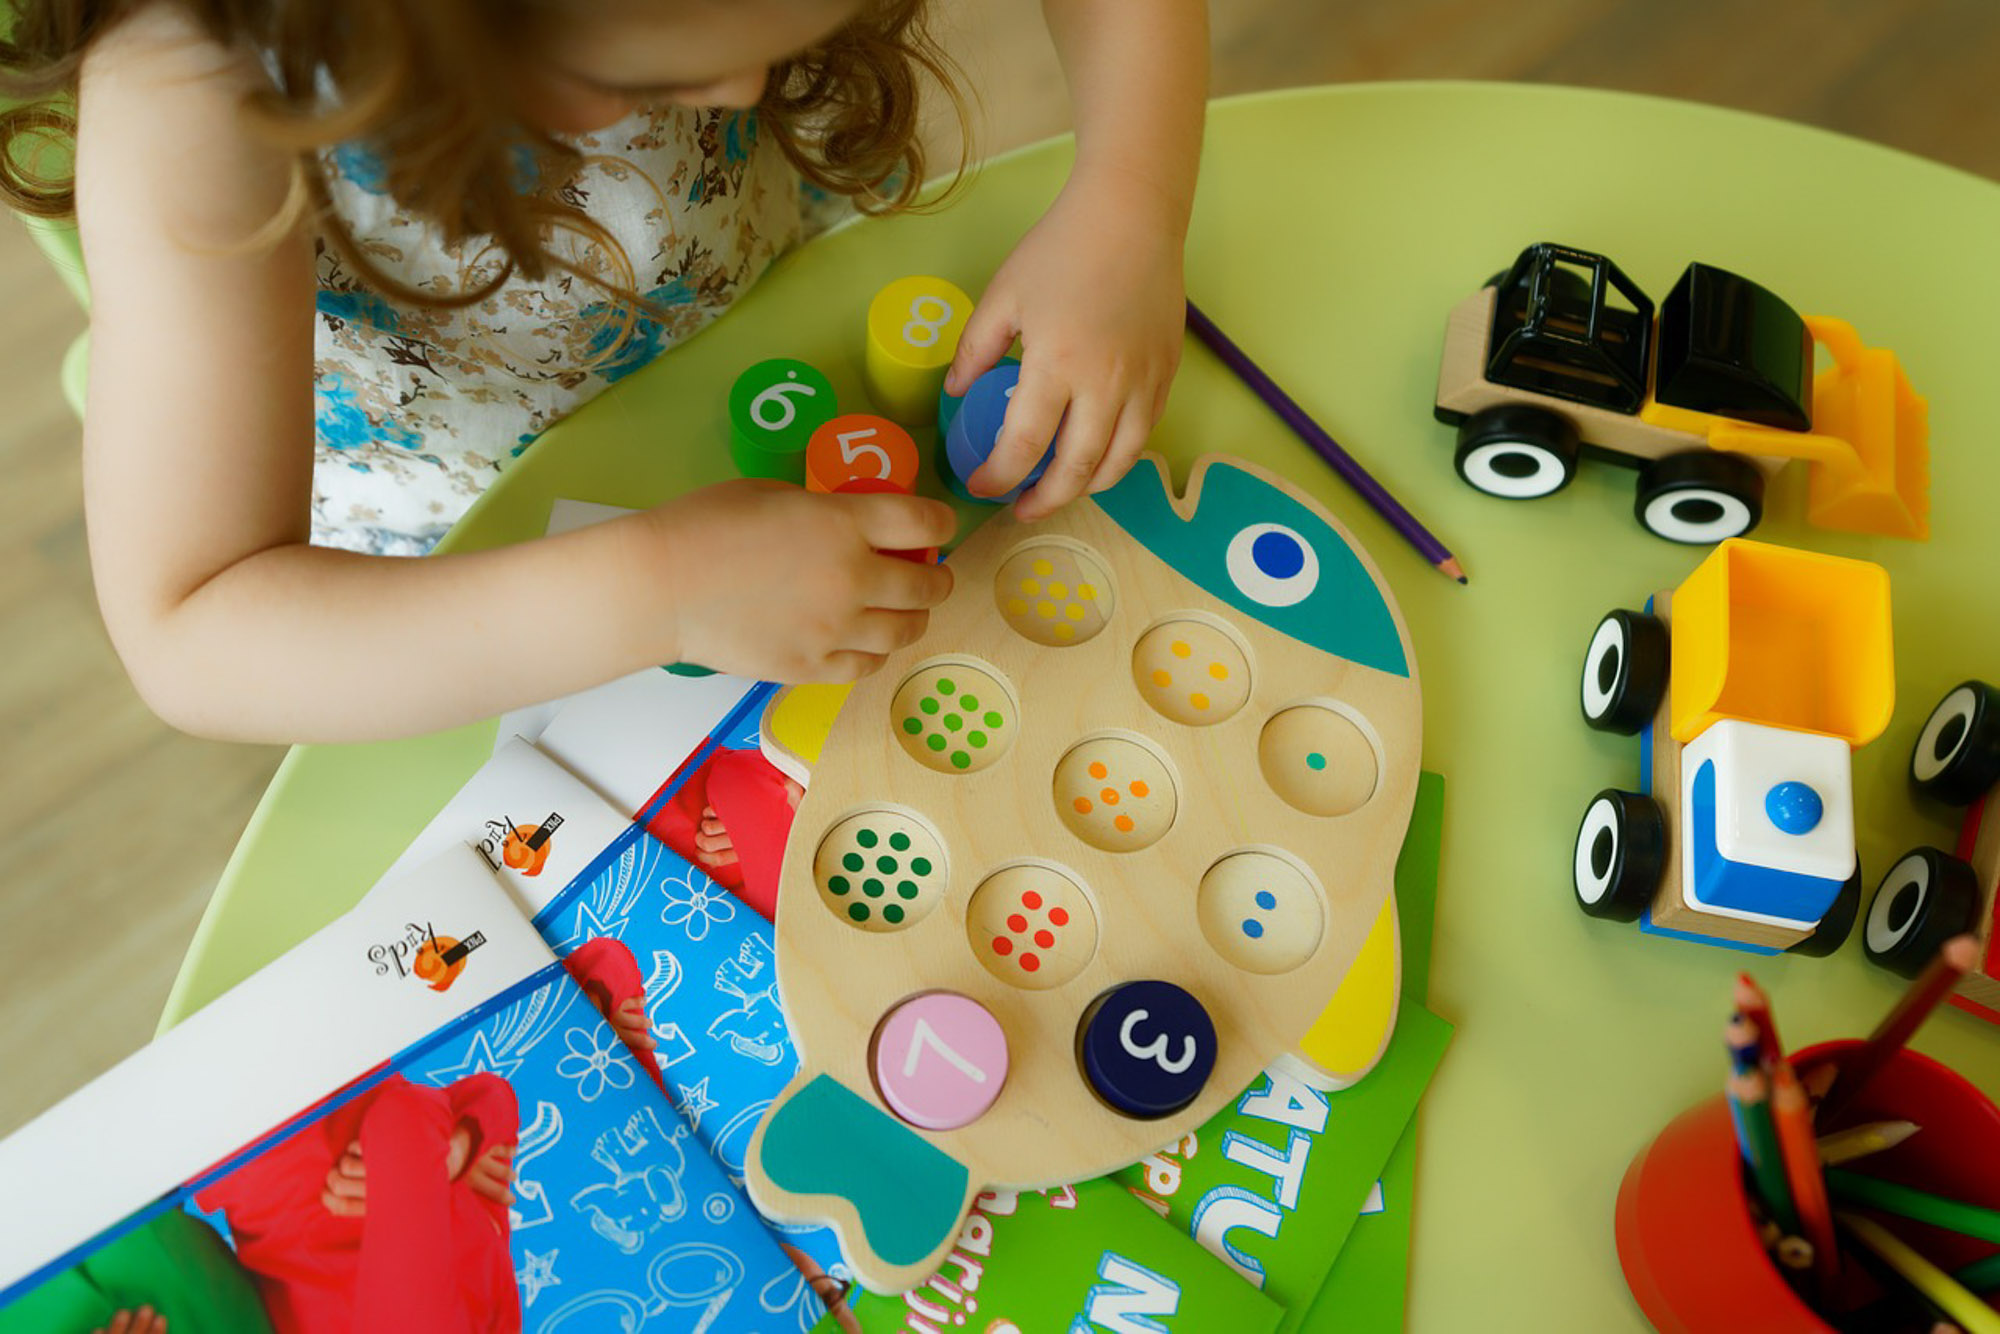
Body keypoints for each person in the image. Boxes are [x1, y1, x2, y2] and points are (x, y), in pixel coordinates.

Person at [0, 0, 1207, 744]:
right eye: (655, 80)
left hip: (758, 315)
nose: (740, 92)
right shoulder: (198, 98)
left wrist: (1127, 202)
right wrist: (658, 588)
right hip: (466, 567)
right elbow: (193, 630)